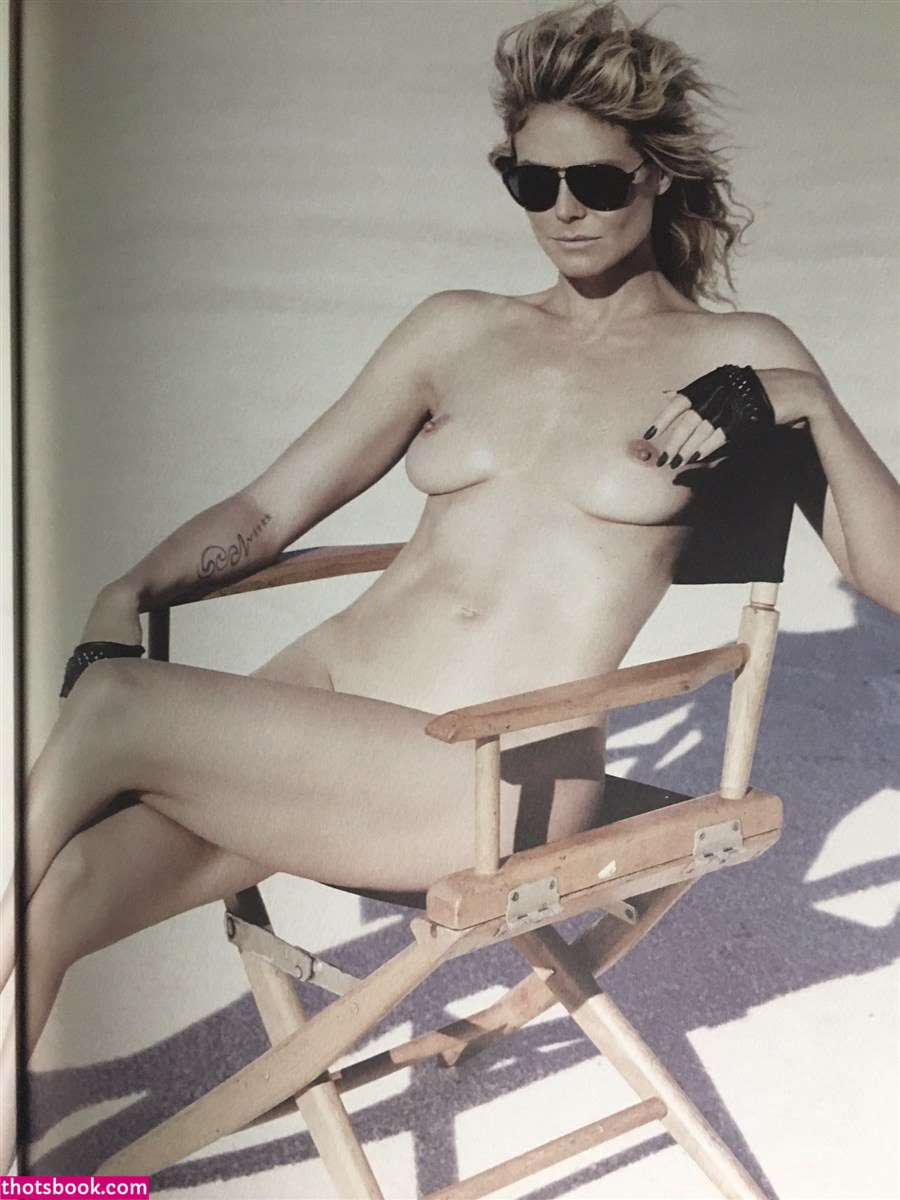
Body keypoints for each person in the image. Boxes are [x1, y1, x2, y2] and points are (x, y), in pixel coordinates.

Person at [2, 0, 898, 1174]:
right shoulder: (456, 331)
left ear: (657, 178)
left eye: (596, 182)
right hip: (327, 710)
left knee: (117, 706)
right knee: (67, 890)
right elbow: (270, 511)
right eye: (534, 184)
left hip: (491, 778)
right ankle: (32, 1181)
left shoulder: (738, 357)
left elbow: (885, 573)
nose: (565, 211)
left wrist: (806, 402)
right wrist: (123, 590)